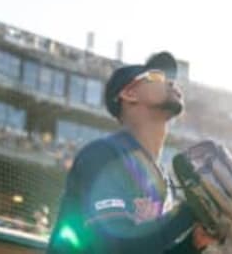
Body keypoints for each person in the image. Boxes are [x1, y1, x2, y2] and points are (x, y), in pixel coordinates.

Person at [47, 52, 216, 253]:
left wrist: (193, 244)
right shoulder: (104, 155)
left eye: (170, 78)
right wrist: (189, 210)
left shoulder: (163, 182)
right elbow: (115, 246)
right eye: (156, 77)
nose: (170, 83)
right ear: (130, 94)